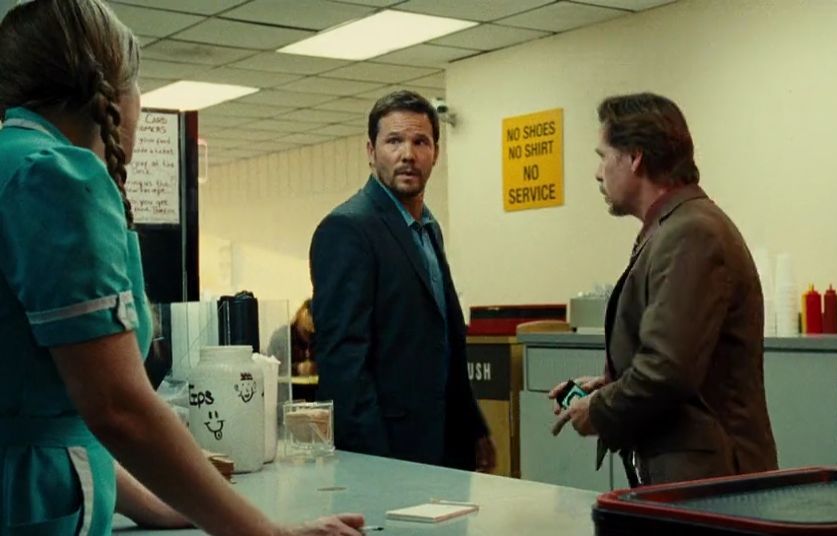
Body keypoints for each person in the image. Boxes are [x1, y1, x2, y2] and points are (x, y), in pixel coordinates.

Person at [0, 1, 363, 534]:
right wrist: (268, 533)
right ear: (113, 94)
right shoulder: (55, 177)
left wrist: (159, 506)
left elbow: (56, 420)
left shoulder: (13, 160)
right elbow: (117, 409)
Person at [549, 93, 777, 486]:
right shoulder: (672, 228)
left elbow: (667, 370)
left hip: (711, 482)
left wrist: (601, 410)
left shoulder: (690, 233)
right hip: (696, 474)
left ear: (635, 157)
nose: (598, 173)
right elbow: (678, 357)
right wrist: (613, 385)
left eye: (603, 156)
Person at [309, 90, 495, 472]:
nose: (408, 154)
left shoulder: (428, 228)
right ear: (371, 151)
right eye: (394, 141)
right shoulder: (348, 229)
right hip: (389, 453)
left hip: (445, 446)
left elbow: (444, 340)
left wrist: (473, 426)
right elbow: (343, 363)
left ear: (436, 153)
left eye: (420, 142)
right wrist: (377, 466)